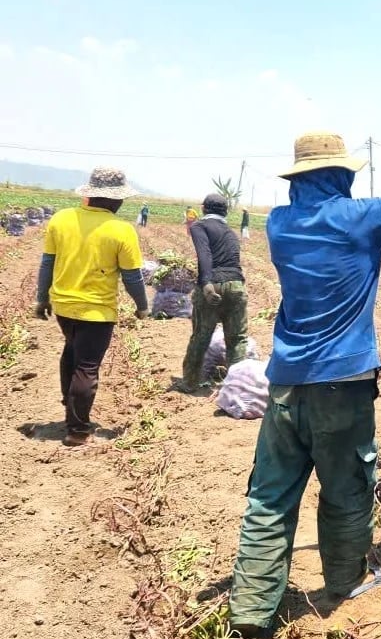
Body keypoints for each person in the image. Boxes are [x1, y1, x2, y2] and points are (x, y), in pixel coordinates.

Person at [227, 132, 381, 639]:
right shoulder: (363, 217)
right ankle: (346, 579)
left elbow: (343, 217)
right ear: (340, 175)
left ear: (298, 179)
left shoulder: (278, 223)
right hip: (344, 384)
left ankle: (250, 611)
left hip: (286, 385)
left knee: (270, 497)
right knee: (346, 488)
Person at [33, 167, 150, 447]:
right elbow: (132, 276)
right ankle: (77, 429)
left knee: (72, 352)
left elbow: (47, 262)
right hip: (97, 310)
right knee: (87, 366)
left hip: (63, 306)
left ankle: (70, 405)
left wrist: (42, 298)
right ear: (116, 200)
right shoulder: (121, 230)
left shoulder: (61, 219)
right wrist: (142, 306)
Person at [179, 194, 249, 392]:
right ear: (225, 211)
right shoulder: (230, 232)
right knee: (237, 340)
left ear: (203, 209)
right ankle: (239, 388)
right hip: (236, 285)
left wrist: (206, 282)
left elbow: (204, 255)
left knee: (201, 335)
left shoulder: (199, 227)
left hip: (213, 284)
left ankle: (190, 383)